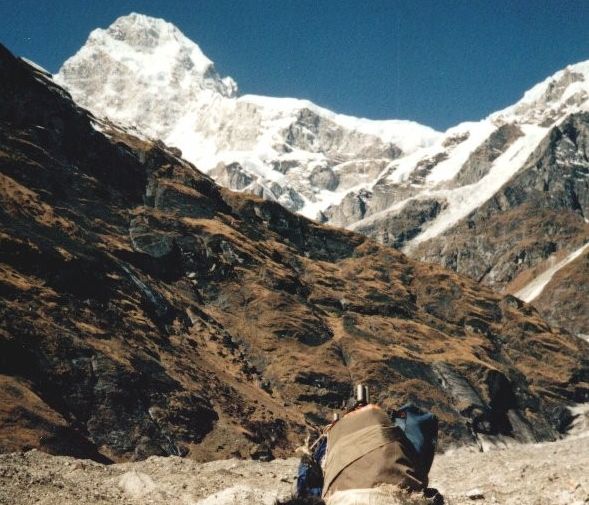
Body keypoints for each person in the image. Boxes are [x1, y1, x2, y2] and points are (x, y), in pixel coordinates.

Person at [276, 385, 442, 505]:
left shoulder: (332, 436)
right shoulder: (388, 427)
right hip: (399, 498)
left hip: (345, 500)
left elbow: (310, 487)